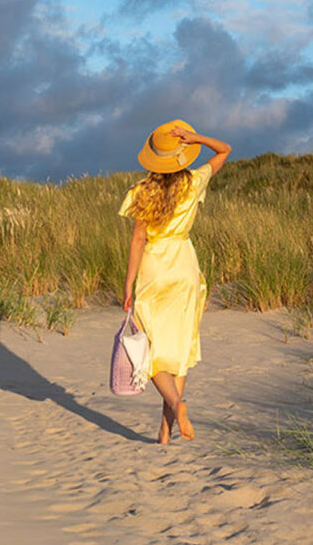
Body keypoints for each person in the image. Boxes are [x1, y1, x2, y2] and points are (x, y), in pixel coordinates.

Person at [119, 120, 231, 443]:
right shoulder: (193, 182)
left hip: (155, 268)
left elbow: (138, 240)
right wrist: (196, 138)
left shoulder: (142, 191)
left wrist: (128, 284)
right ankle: (165, 430)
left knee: (152, 352)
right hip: (184, 266)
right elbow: (225, 150)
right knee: (179, 351)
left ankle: (175, 406)